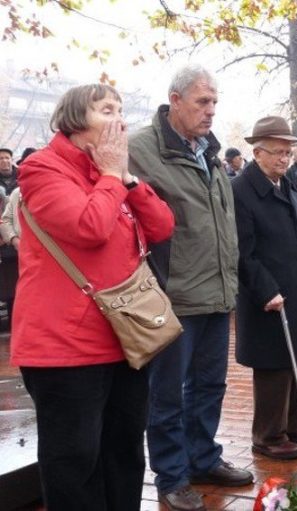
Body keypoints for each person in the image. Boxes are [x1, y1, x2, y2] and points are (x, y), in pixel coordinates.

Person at [11, 83, 175, 510]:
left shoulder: (114, 173)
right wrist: (107, 176)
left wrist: (127, 179)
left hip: (125, 338)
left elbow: (161, 227)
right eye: (106, 110)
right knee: (74, 461)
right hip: (65, 347)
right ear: (75, 120)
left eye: (121, 109)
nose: (118, 118)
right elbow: (88, 227)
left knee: (123, 452)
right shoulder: (42, 169)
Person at [129, 64, 253, 511]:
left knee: (209, 386)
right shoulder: (140, 149)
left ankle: (202, 457)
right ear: (174, 100)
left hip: (217, 294)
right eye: (202, 101)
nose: (211, 111)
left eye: (215, 102)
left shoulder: (209, 152)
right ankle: (172, 476)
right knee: (167, 395)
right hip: (173, 296)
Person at [231, 115, 297, 461]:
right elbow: (242, 250)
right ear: (257, 152)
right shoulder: (241, 191)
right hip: (268, 294)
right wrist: (266, 289)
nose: (285, 158)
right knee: (275, 364)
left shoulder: (288, 183)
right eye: (278, 152)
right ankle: (269, 435)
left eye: (289, 152)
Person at [0, 147, 18, 329]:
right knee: (7, 287)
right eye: (1, 159)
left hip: (21, 241)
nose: (4, 161)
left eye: (7, 158)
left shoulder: (22, 179)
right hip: (3, 245)